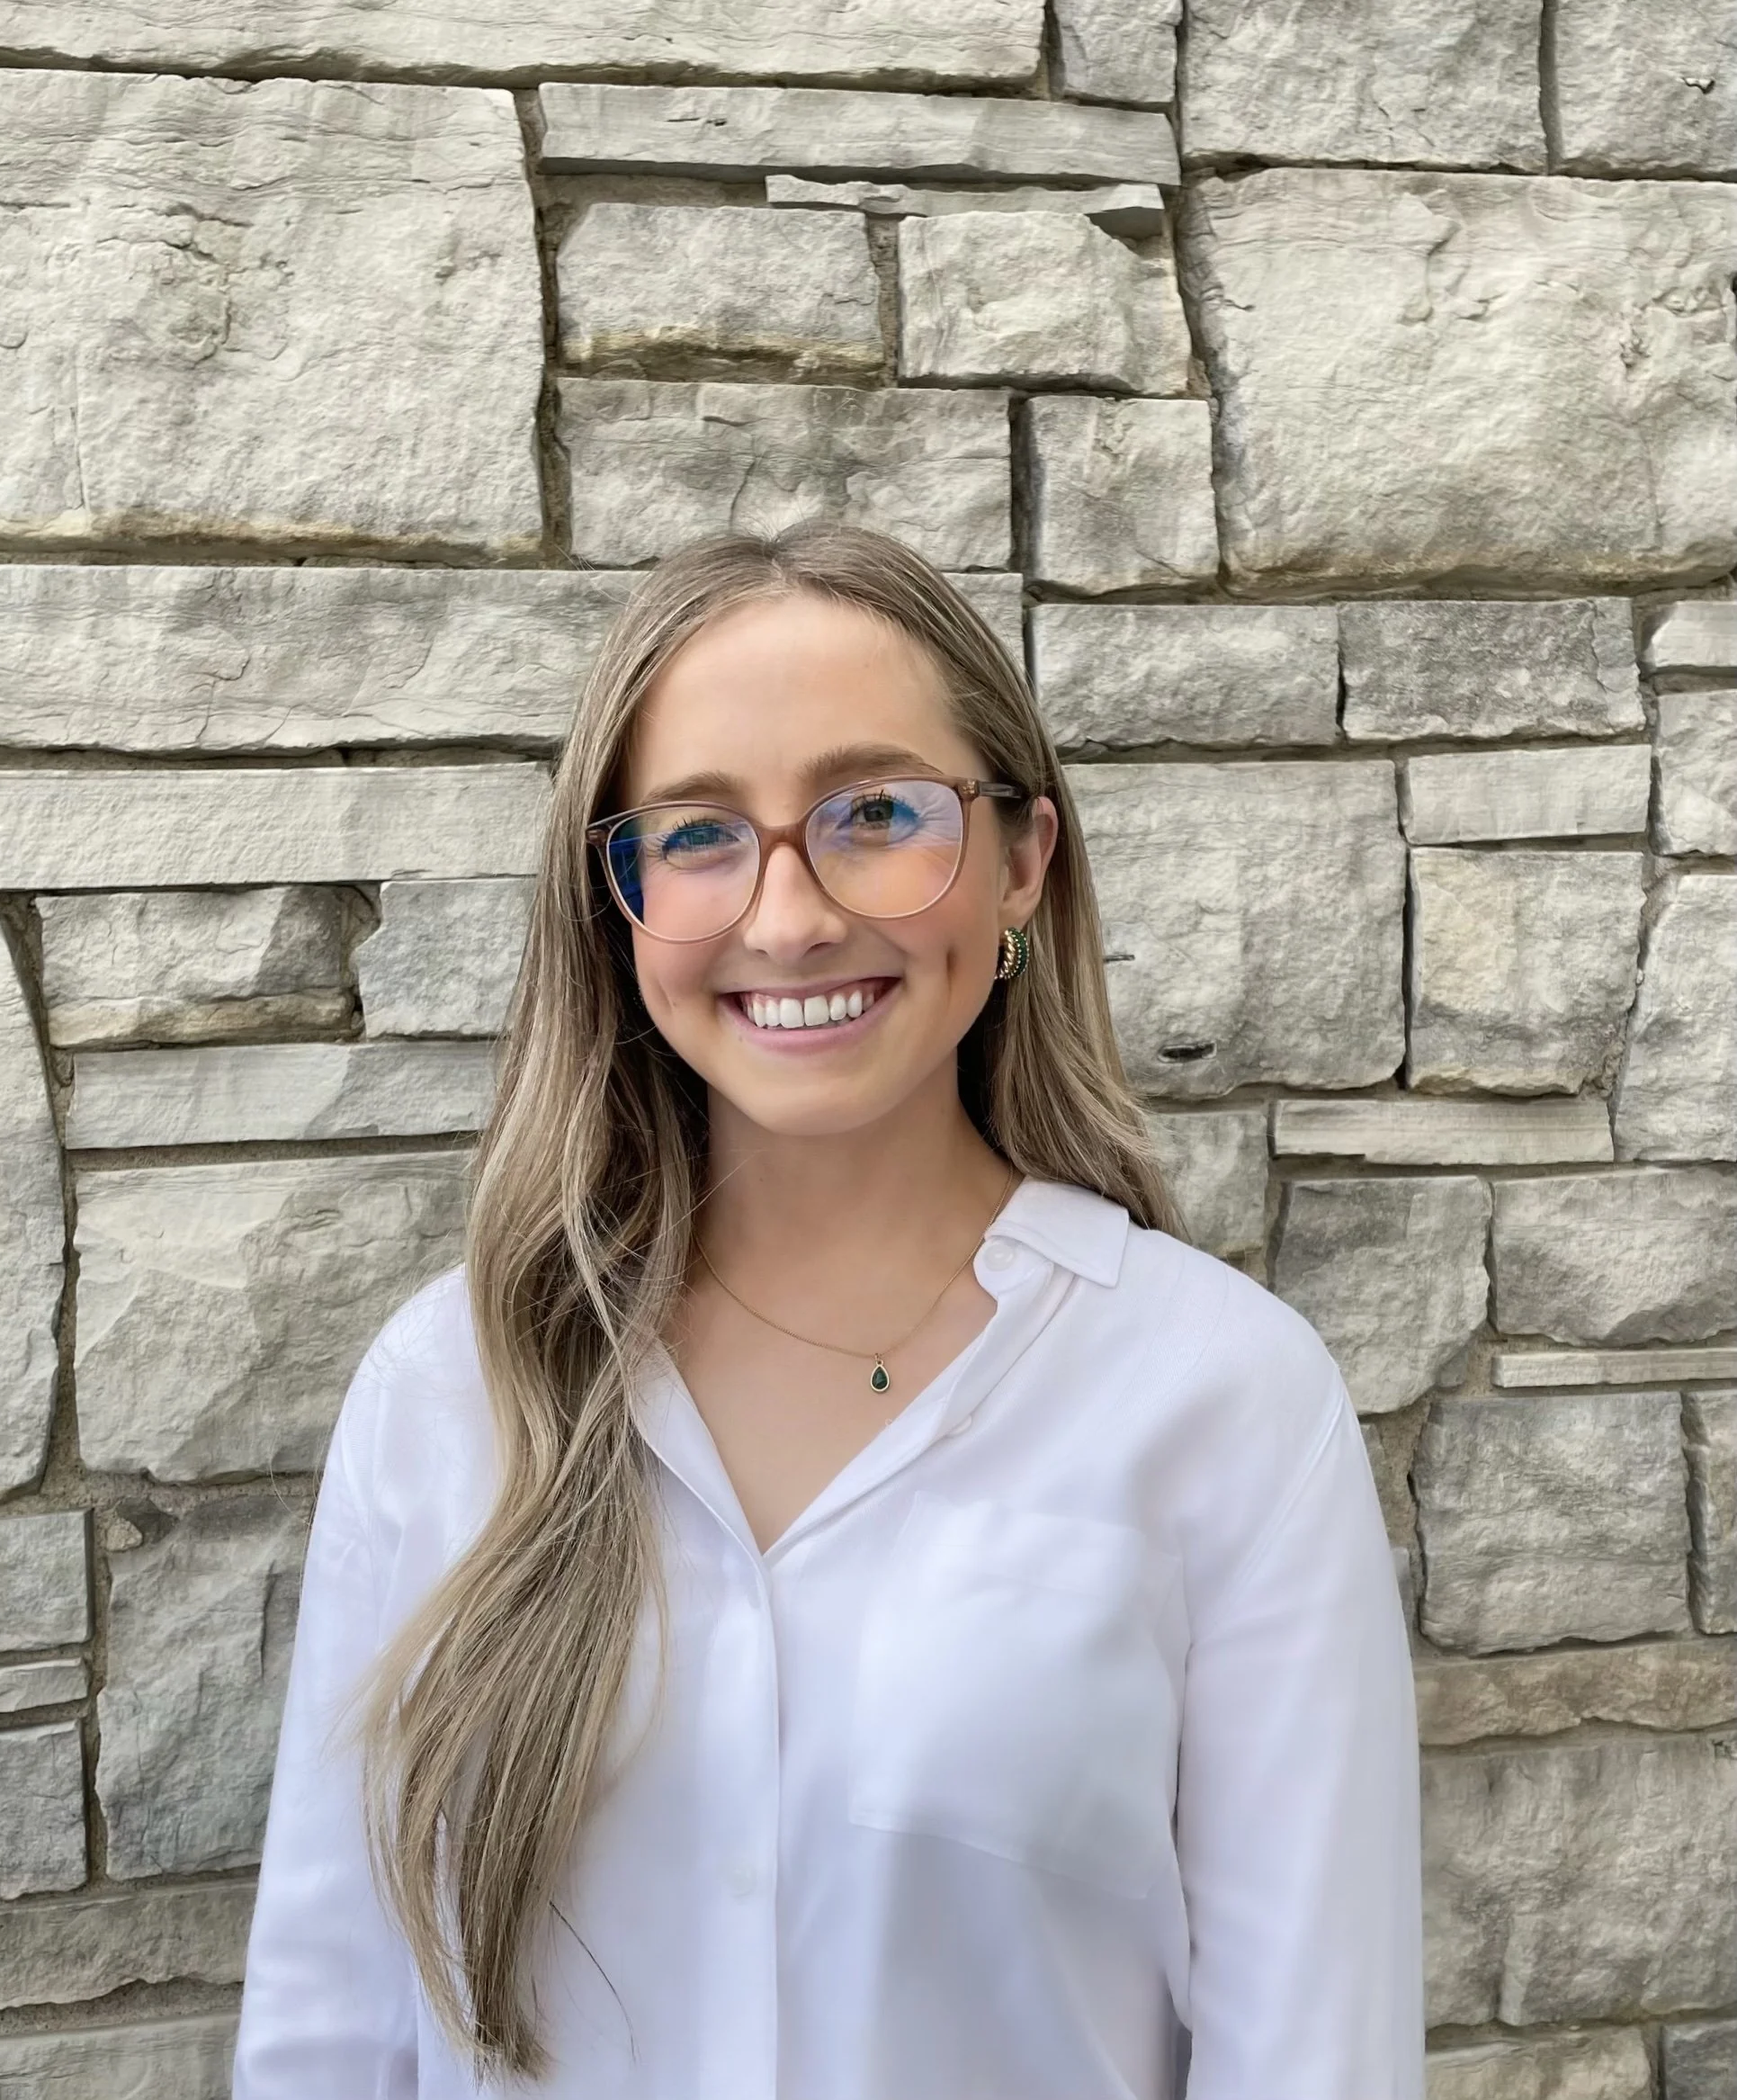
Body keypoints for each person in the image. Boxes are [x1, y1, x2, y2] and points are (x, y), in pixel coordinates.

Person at [233, 523, 1423, 2099]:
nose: (787, 918)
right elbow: (334, 2034)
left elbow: (1312, 2058)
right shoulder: (448, 1388)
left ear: (1019, 863)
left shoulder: (1220, 1399)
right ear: (619, 902)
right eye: (701, 834)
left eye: (874, 813)